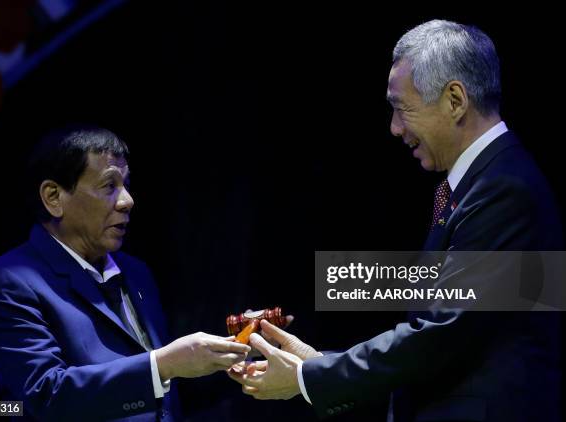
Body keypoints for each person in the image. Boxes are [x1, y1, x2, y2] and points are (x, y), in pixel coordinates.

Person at [229, 19, 563, 421]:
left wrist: (309, 377)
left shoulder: (506, 191)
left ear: (455, 100)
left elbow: (441, 335)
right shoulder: (481, 184)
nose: (394, 128)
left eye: (401, 108)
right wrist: (318, 361)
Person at [0, 126, 250, 421]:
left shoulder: (136, 272)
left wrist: (240, 347)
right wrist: (162, 364)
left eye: (126, 185)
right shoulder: (8, 283)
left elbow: (168, 393)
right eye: (109, 186)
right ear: (53, 197)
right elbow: (46, 396)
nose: (127, 201)